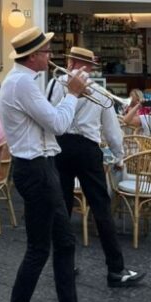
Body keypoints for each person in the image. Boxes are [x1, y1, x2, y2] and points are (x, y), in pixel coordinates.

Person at [0, 28, 106, 302]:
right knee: (38, 249)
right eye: (46, 51)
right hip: (36, 169)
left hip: (43, 166)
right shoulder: (22, 85)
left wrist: (70, 94)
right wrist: (72, 93)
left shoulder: (25, 83)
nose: (51, 56)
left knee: (65, 241)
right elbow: (58, 125)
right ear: (32, 56)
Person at [55, 46, 144, 288]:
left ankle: (64, 265)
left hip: (60, 147)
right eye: (91, 65)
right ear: (89, 66)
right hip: (87, 149)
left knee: (62, 208)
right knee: (101, 207)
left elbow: (50, 118)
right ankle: (116, 269)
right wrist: (119, 155)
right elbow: (111, 129)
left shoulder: (55, 85)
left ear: (71, 62)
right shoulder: (101, 92)